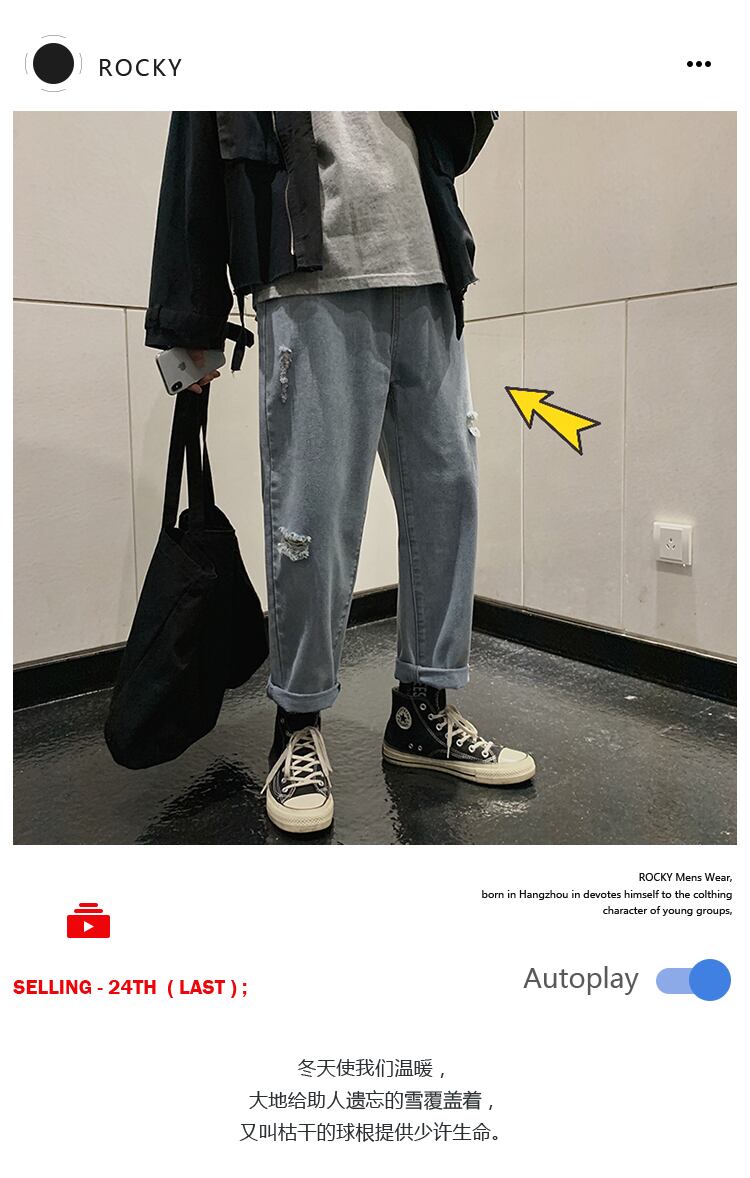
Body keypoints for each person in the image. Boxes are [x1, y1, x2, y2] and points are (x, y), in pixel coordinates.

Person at [146, 111, 535, 835]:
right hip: (309, 275)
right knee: (312, 513)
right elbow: (194, 155)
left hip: (428, 271)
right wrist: (187, 326)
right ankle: (297, 725)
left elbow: (459, 139)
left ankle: (423, 712)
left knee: (448, 498)